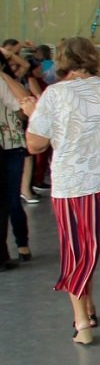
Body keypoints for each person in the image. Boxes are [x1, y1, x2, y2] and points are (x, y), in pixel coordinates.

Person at [22, 37, 100, 344]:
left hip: (72, 186)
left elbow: (35, 144)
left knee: (77, 251)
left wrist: (32, 115)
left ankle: (83, 325)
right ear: (93, 59)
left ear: (61, 61)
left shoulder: (52, 95)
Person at [1, 69, 31, 268]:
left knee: (11, 200)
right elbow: (22, 106)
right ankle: (15, 248)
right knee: (10, 200)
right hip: (9, 146)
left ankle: (21, 244)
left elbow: (21, 104)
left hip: (10, 145)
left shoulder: (3, 80)